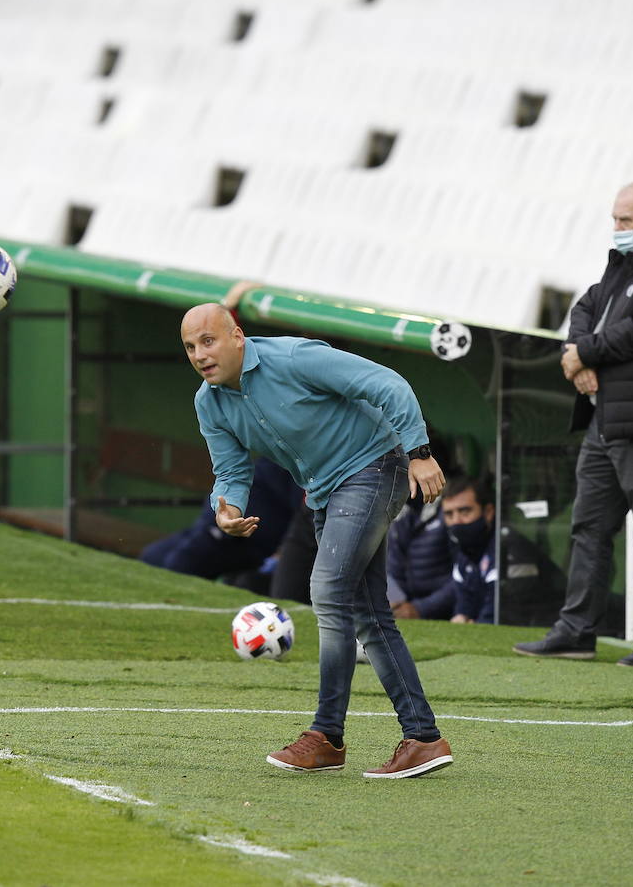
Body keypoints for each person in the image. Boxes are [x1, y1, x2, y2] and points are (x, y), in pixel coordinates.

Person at [181, 303, 454, 778]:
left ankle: (326, 735)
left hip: (376, 466)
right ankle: (423, 738)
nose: (200, 354)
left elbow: (388, 384)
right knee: (368, 612)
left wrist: (420, 453)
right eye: (190, 346)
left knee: (328, 591)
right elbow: (231, 470)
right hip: (327, 491)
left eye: (209, 340)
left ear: (237, 337)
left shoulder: (293, 358)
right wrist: (226, 508)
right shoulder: (209, 402)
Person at [513, 182, 633, 668]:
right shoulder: (621, 264)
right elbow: (585, 310)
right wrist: (576, 356)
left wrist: (587, 352)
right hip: (606, 419)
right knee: (588, 528)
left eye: (624, 220)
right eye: (615, 219)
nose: (616, 228)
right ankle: (577, 630)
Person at [389, 472, 566, 625]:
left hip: (545, 627)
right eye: (449, 514)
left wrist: (476, 623)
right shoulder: (466, 550)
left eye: (465, 511)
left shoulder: (509, 548)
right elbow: (464, 605)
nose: (456, 521)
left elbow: (507, 615)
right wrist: (461, 618)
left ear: (488, 512)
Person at [139, 456, 302, 590]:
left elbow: (302, 516)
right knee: (152, 555)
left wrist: (282, 552)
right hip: (211, 527)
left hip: (248, 542)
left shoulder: (300, 467)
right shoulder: (268, 456)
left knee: (179, 564)